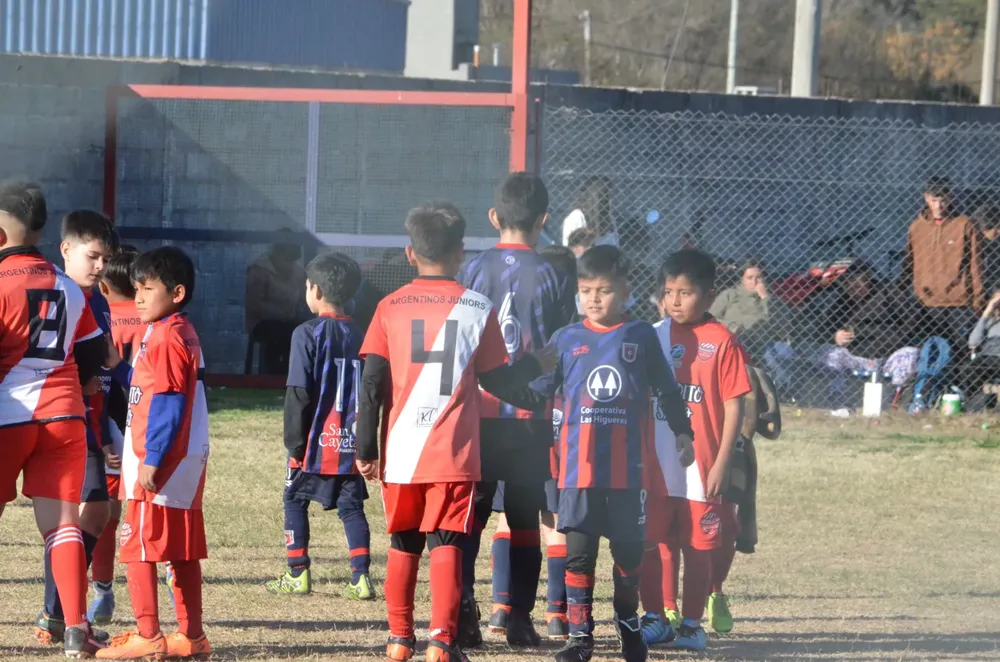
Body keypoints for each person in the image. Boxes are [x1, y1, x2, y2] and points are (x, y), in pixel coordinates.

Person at [354, 202, 553, 662]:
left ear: (410, 253)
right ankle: (441, 641)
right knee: (447, 541)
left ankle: (399, 639)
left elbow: (371, 383)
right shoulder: (478, 308)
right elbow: (497, 381)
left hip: (401, 451)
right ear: (461, 253)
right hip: (452, 452)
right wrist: (535, 369)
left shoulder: (388, 307)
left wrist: (366, 446)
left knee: (403, 541)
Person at [529, 245, 695, 662]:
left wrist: (683, 431)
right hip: (578, 471)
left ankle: (628, 626)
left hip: (628, 473)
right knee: (579, 555)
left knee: (628, 554)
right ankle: (580, 637)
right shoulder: (566, 338)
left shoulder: (640, 335)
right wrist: (506, 395)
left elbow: (667, 388)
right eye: (586, 290)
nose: (594, 299)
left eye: (603, 290)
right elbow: (538, 390)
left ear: (624, 291)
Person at [455, 173, 577, 647]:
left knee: (470, 516)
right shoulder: (553, 274)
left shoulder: (471, 269)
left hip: (478, 415)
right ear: (543, 220)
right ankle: (522, 620)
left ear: (493, 217)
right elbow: (561, 345)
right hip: (529, 418)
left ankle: (464, 611)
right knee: (526, 516)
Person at [0, 181, 111, 657]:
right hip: (65, 416)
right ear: (43, 231)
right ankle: (76, 630)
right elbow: (94, 355)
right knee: (64, 525)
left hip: (7, 416)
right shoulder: (69, 287)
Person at [96, 247, 211, 661]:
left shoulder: (163, 336)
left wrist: (153, 457)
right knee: (181, 550)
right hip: (186, 458)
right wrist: (120, 367)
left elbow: (167, 400)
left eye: (147, 289)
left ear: (176, 293)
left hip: (162, 459)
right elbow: (154, 384)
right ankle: (192, 636)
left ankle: (148, 636)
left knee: (137, 546)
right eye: (136, 289)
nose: (139, 298)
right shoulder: (178, 330)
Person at [638, 249, 752, 653]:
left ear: (709, 295)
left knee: (698, 547)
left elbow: (735, 405)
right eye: (669, 292)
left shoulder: (722, 341)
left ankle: (691, 624)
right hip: (655, 467)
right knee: (648, 543)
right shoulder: (652, 335)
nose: (674, 301)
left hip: (700, 469)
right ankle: (654, 618)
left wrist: (722, 462)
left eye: (685, 293)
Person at [264, 252, 373, 599]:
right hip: (350, 441)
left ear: (317, 290)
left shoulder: (306, 333)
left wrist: (295, 445)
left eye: (306, 286)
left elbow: (298, 393)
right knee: (352, 507)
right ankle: (361, 578)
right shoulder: (361, 334)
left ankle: (297, 573)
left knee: (293, 498)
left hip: (315, 444)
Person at [35, 210, 120, 646]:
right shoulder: (52, 292)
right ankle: (58, 615)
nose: (100, 266)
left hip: (85, 422)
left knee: (95, 513)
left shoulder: (98, 300)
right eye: (93, 256)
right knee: (70, 519)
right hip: (55, 419)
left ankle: (57, 613)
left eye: (105, 259)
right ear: (66, 249)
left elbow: (105, 369)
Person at [89, 246, 145, 625]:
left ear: (105, 287)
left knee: (106, 515)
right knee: (151, 515)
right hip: (148, 432)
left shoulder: (101, 317)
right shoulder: (155, 321)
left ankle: (103, 593)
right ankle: (168, 593)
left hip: (110, 430)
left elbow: (101, 380)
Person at [903, 176, 983, 346]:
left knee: (961, 349)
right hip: (925, 302)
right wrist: (905, 292)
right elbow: (908, 263)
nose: (939, 206)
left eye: (943, 200)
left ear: (950, 198)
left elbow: (975, 264)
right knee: (928, 349)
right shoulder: (917, 227)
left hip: (958, 302)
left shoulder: (963, 224)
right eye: (934, 200)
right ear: (926, 198)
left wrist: (978, 298)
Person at [245, 231, 308, 375]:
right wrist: (280, 314)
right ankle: (272, 377)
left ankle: (295, 376)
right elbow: (254, 305)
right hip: (262, 323)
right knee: (280, 334)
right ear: (277, 254)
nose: (290, 265)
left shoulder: (297, 272)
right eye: (286, 260)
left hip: (289, 321)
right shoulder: (259, 271)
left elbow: (303, 297)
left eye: (292, 261)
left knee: (301, 333)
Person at [709, 258, 787, 360]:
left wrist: (765, 298)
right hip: (731, 343)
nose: (754, 282)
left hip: (761, 348)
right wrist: (730, 326)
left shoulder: (773, 301)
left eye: (758, 277)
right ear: (743, 280)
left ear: (764, 279)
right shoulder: (731, 294)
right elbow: (710, 317)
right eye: (749, 278)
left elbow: (783, 324)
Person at [561, 176, 618, 248]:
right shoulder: (576, 218)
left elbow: (616, 246)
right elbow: (569, 250)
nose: (610, 201)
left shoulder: (609, 218)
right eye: (606, 197)